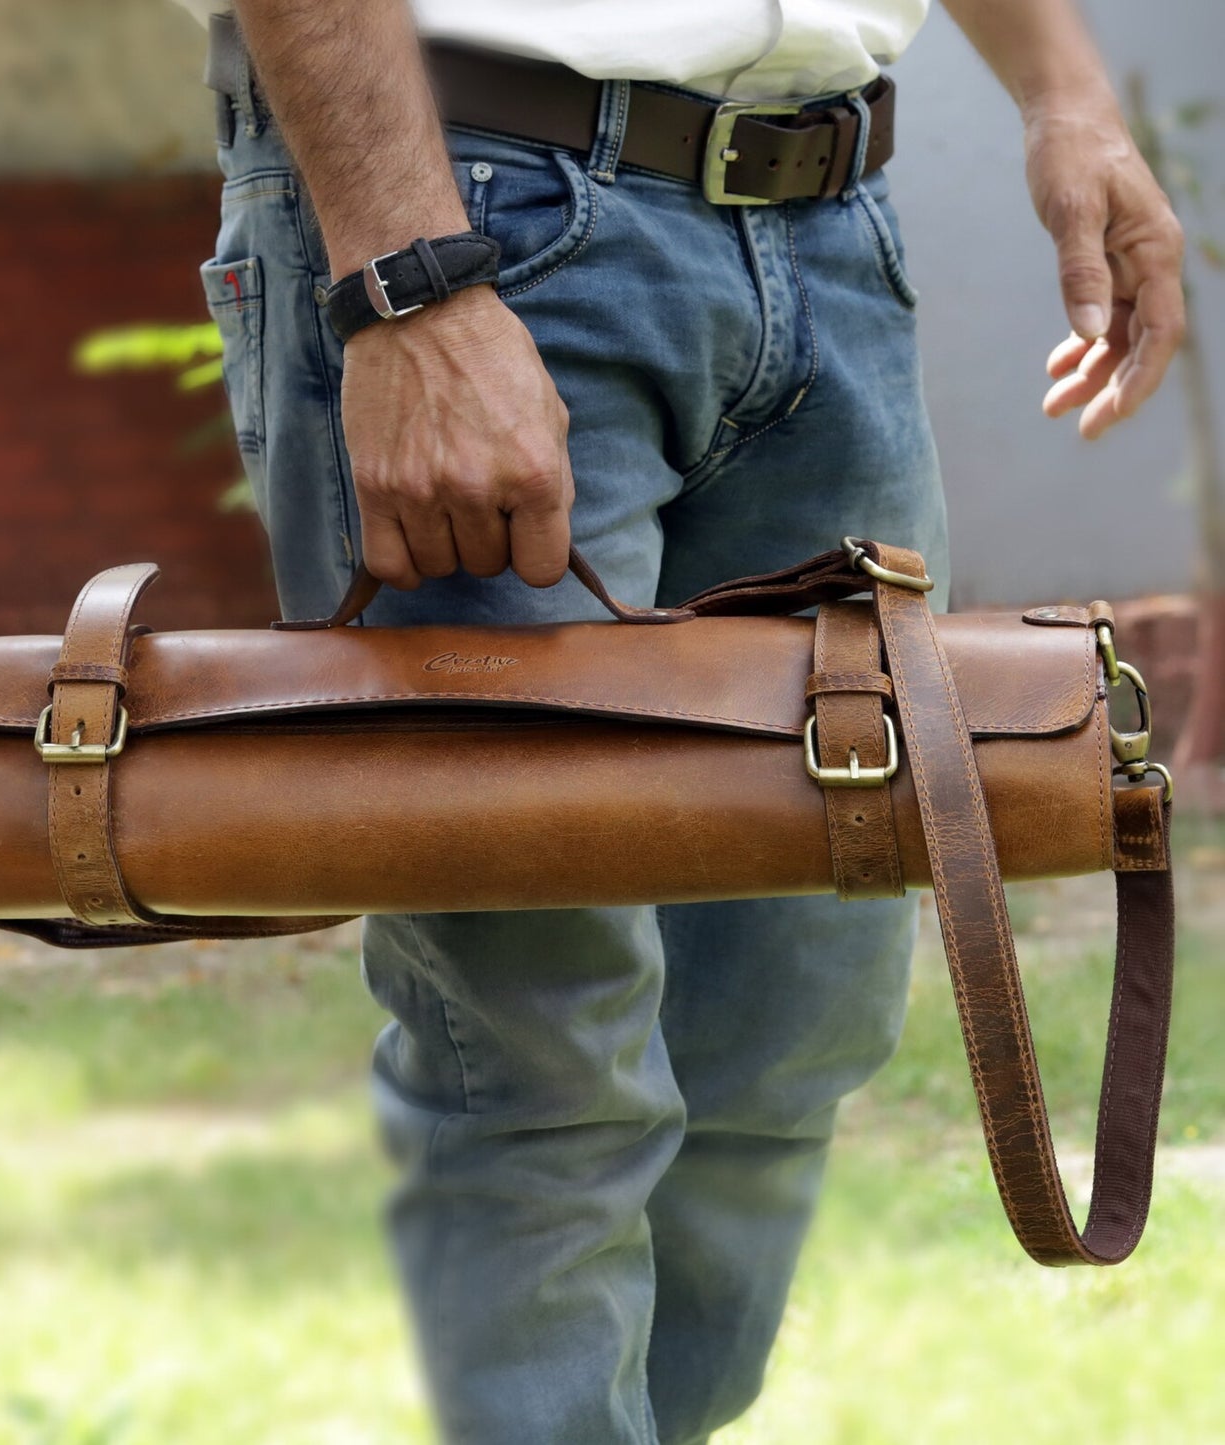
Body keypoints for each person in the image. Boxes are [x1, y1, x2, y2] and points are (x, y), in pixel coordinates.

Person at [179, 1, 1185, 1440]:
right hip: (472, 207)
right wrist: (406, 276)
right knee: (534, 1053)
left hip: (829, 225)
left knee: (787, 1026)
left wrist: (1063, 92)